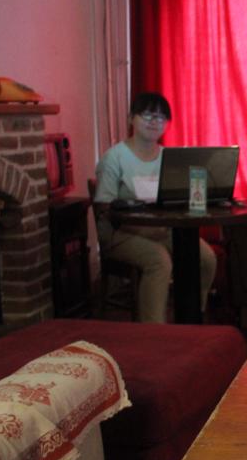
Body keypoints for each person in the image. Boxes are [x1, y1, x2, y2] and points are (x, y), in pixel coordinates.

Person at [93, 92, 217, 323]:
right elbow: (103, 207)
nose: (154, 122)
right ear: (131, 118)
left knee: (206, 258)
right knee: (159, 261)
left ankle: (193, 316)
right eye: (147, 115)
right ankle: (153, 329)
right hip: (121, 233)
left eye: (161, 117)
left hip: (161, 230)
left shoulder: (168, 157)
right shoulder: (114, 158)